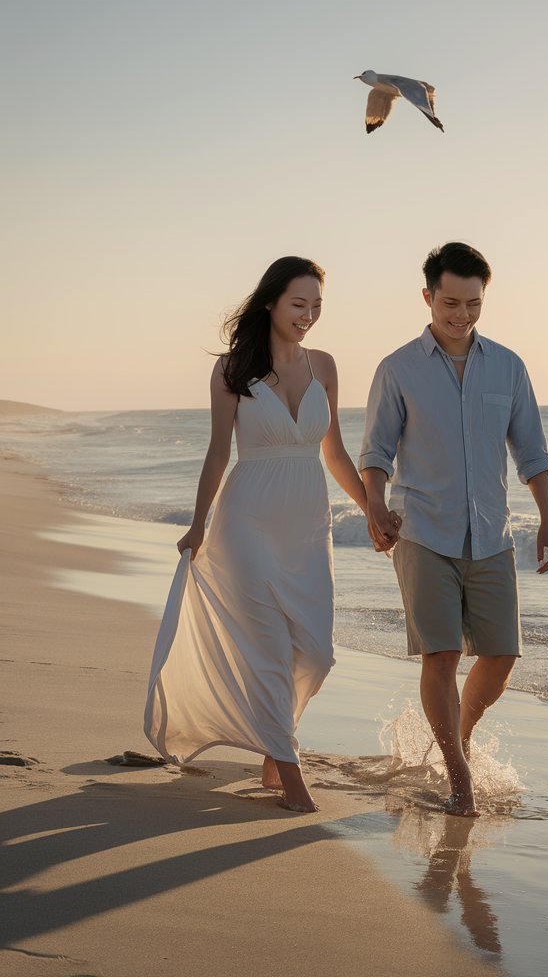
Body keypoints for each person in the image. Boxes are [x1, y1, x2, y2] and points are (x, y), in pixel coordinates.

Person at [145, 256, 397, 813]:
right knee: (267, 652)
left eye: (316, 306)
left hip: (308, 524)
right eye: (297, 304)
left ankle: (274, 736)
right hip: (246, 521)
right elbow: (217, 453)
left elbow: (333, 453)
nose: (308, 316)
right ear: (270, 303)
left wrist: (373, 510)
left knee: (317, 652)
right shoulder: (232, 369)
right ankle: (291, 772)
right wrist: (198, 522)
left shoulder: (325, 366)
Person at [359, 241, 548, 817]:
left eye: (473, 303)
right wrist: (375, 505)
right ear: (428, 297)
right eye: (450, 302)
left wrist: (547, 518)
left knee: (500, 657)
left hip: (491, 533)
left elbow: (532, 451)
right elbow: (375, 450)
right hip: (423, 530)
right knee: (441, 655)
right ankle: (459, 777)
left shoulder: (508, 366)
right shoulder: (398, 369)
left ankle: (458, 743)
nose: (462, 315)